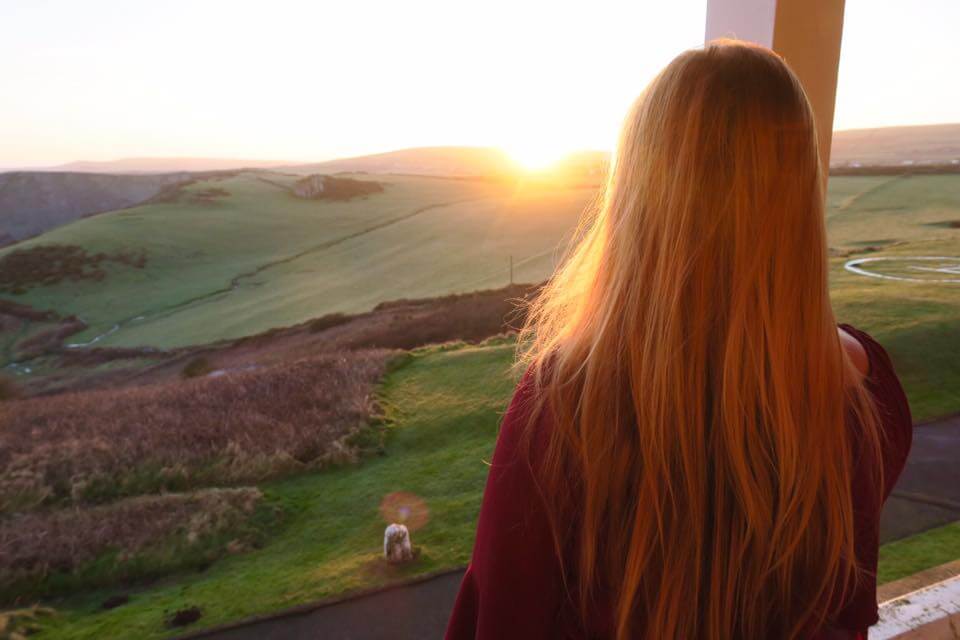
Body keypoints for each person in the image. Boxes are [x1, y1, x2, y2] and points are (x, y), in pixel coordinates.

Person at [445, 40, 912, 640]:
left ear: (638, 196)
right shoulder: (865, 388)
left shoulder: (563, 405)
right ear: (800, 191)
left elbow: (500, 618)